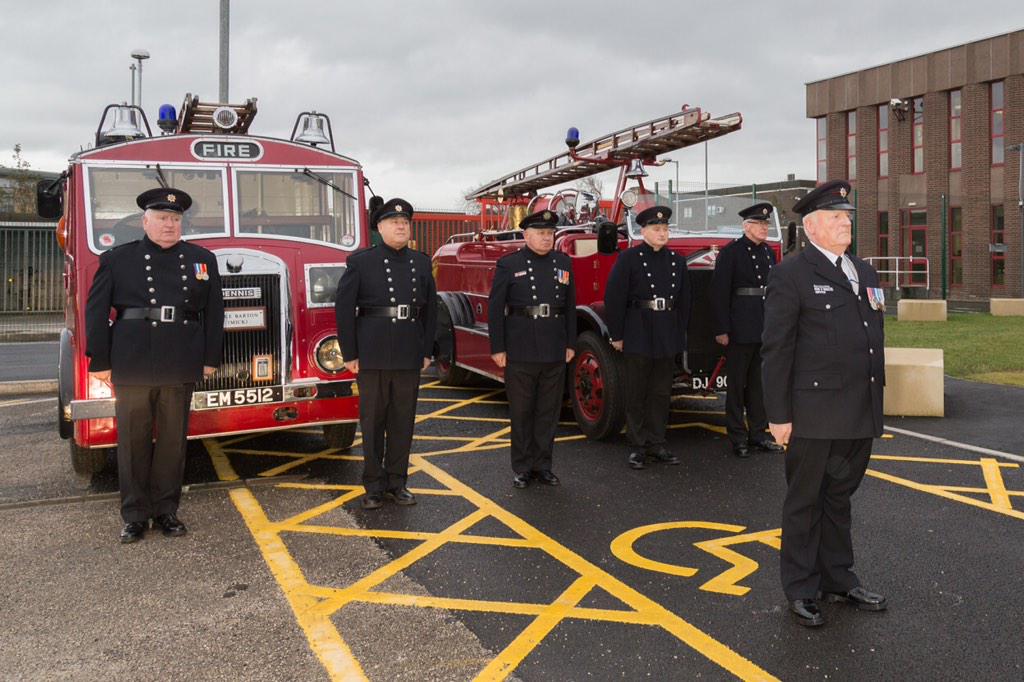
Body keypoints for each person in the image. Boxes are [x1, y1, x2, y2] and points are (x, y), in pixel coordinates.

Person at [761, 180, 887, 627]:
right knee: (805, 501)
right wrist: (778, 416)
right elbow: (777, 349)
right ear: (812, 226)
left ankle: (838, 578)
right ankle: (800, 588)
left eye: (848, 217)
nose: (845, 223)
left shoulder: (864, 272)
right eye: (836, 217)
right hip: (814, 414)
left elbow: (873, 342)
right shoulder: (792, 274)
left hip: (859, 410)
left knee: (839, 498)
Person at [85, 188, 224, 544]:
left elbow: (214, 314)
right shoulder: (118, 259)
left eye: (175, 219)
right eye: (162, 218)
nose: (169, 225)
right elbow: (97, 311)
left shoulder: (202, 259)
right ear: (145, 222)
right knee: (132, 442)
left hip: (180, 357)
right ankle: (134, 515)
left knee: (173, 442)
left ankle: (166, 510)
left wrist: (210, 359)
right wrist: (99, 360)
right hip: (132, 358)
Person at [335, 198, 437, 510]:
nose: (400, 227)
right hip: (372, 351)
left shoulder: (420, 262)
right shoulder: (361, 262)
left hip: (408, 351)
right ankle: (374, 485)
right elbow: (344, 309)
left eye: (405, 222)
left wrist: (427, 350)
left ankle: (398, 482)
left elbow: (431, 311)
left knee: (403, 421)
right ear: (380, 228)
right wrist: (350, 352)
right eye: (394, 222)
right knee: (374, 421)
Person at [488, 210, 577, 488]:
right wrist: (498, 347)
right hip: (521, 346)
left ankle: (543, 466)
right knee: (522, 411)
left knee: (548, 411)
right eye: (540, 233)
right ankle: (523, 467)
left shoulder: (563, 262)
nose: (546, 238)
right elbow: (495, 308)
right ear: (526, 236)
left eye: (550, 233)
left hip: (553, 346)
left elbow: (570, 306)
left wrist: (571, 343)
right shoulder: (509, 264)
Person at [605, 205, 691, 470]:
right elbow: (615, 298)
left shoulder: (676, 261)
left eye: (665, 229)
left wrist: (680, 333)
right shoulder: (629, 259)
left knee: (660, 392)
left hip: (666, 330)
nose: (662, 233)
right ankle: (637, 446)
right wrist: (617, 334)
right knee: (637, 391)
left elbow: (686, 301)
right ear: (643, 232)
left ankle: (657, 443)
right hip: (638, 330)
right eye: (657, 229)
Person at [710, 202, 785, 458]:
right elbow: (719, 293)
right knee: (737, 386)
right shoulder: (731, 253)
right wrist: (722, 328)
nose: (765, 228)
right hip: (739, 327)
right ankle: (737, 437)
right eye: (760, 224)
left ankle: (759, 434)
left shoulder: (767, 253)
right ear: (747, 226)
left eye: (766, 224)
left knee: (758, 385)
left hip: (762, 327)